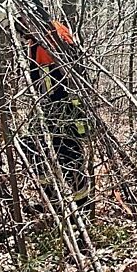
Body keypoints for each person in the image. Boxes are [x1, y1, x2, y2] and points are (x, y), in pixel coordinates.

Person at [22, 18, 91, 212]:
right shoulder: (47, 34)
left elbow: (51, 81)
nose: (21, 35)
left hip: (60, 109)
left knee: (65, 155)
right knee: (39, 150)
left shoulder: (48, 39)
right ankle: (56, 201)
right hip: (57, 108)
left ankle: (75, 205)